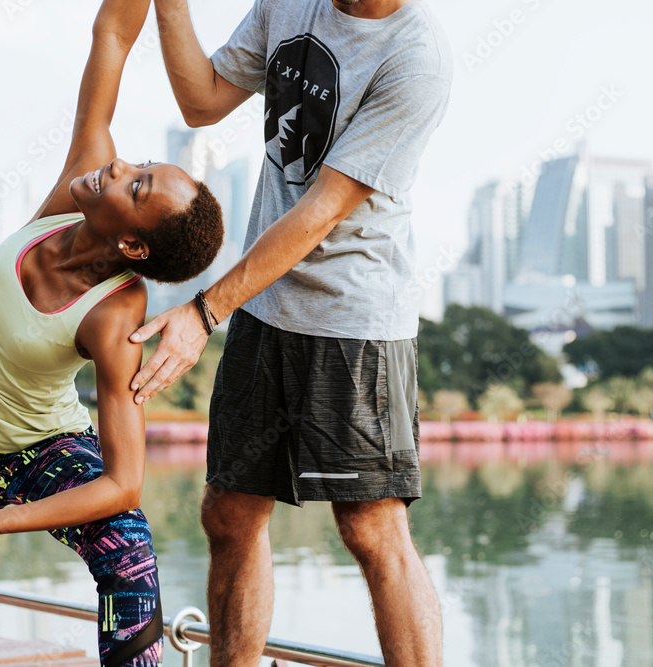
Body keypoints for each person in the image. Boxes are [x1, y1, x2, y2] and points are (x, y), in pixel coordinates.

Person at [0, 1, 223, 666]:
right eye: (137, 163)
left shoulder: (116, 316)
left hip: (42, 449)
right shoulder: (73, 189)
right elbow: (113, 32)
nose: (116, 167)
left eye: (136, 183)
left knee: (130, 551)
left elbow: (124, 484)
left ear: (136, 246)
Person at [128, 0, 452, 665]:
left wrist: (203, 311)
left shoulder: (416, 59)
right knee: (229, 512)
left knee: (371, 527)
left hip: (354, 321)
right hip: (263, 303)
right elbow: (202, 99)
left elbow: (322, 210)